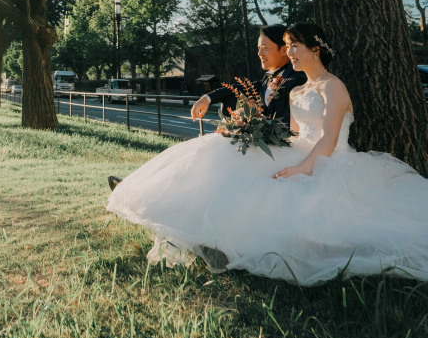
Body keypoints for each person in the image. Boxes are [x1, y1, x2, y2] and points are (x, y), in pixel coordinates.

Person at [107, 23, 428, 284]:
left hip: (331, 161)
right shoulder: (300, 90)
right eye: (286, 46)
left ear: (315, 50)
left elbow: (328, 139)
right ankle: (188, 223)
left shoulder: (333, 87)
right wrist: (251, 131)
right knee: (228, 156)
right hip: (299, 151)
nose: (289, 53)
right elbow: (297, 134)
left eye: (294, 47)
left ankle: (219, 240)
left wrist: (302, 168)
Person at [189, 24, 306, 128]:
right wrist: (206, 98)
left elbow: (287, 126)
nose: (259, 54)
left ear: (284, 50)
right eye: (259, 48)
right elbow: (237, 88)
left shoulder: (297, 80)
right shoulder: (268, 78)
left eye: (265, 48)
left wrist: (249, 121)